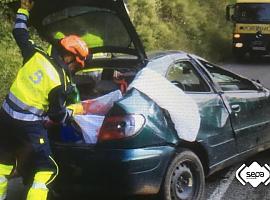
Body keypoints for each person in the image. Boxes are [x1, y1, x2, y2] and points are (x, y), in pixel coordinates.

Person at [0, 0, 89, 199]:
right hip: (28, 127)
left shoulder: (35, 54)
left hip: (4, 118)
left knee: (2, 165)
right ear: (69, 57)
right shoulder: (60, 82)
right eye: (78, 65)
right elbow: (57, 116)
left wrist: (24, 9)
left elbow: (19, 31)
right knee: (46, 169)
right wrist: (75, 110)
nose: (77, 69)